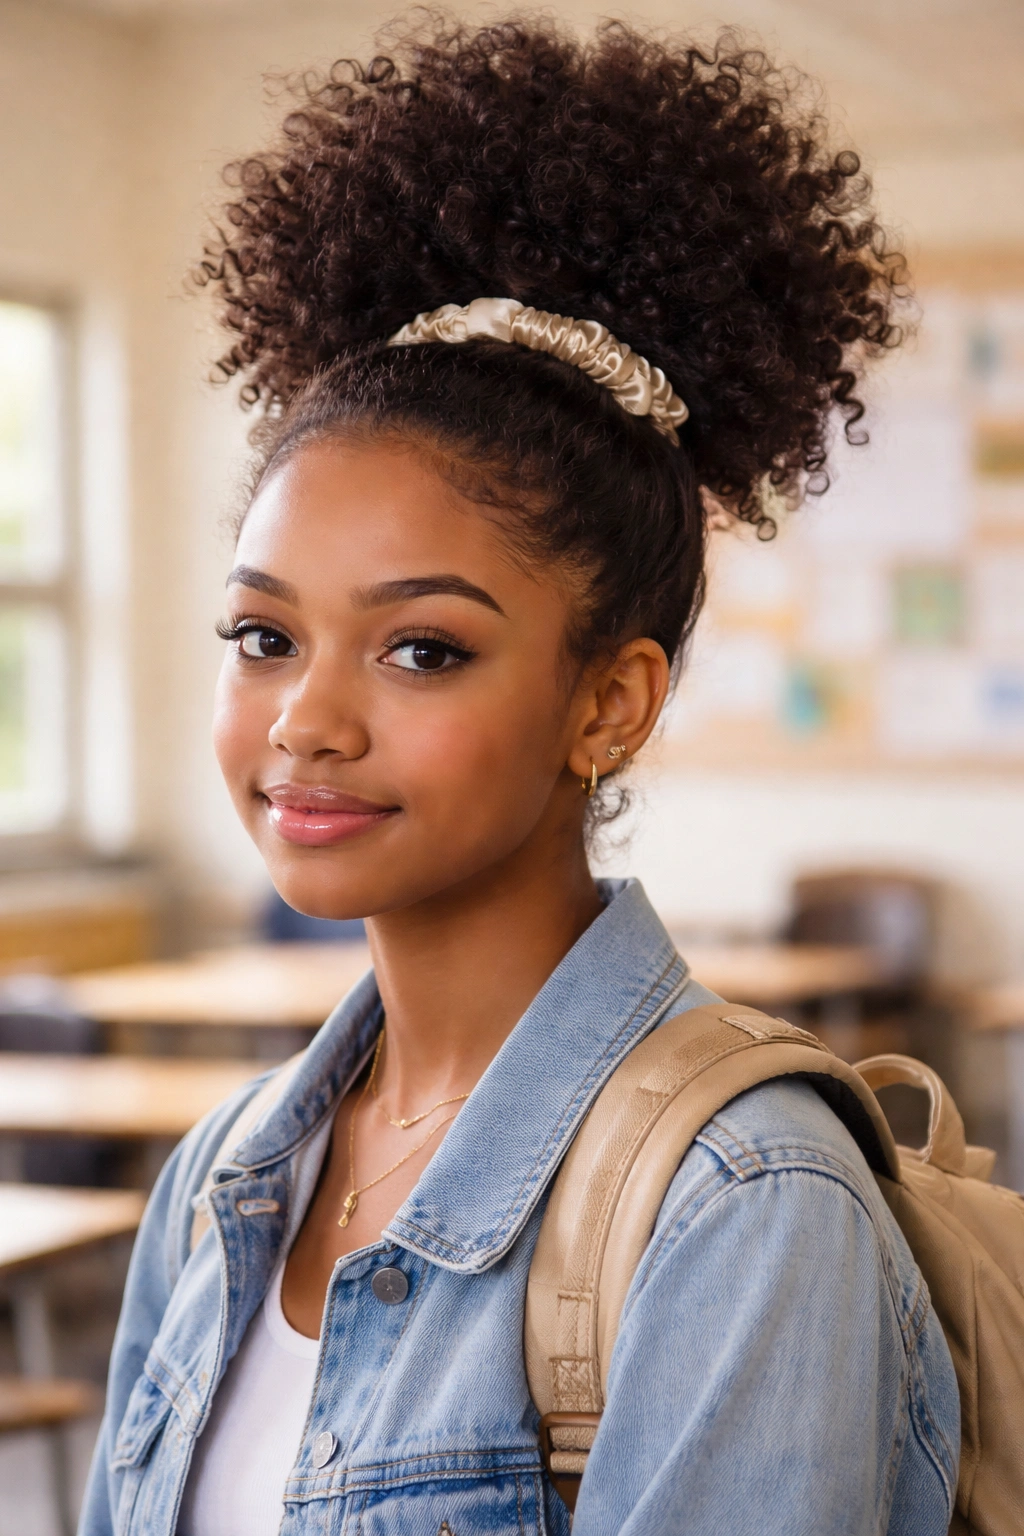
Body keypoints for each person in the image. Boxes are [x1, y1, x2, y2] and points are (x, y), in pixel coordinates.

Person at [81, 19, 959, 1536]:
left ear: (609, 703)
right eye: (262, 633)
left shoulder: (743, 1203)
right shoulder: (223, 1180)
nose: (305, 721)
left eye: (421, 650)